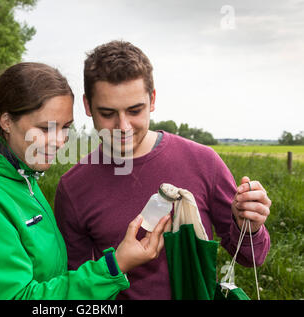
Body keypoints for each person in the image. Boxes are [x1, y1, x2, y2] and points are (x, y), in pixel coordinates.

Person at [54, 41, 272, 300]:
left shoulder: (204, 162)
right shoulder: (73, 188)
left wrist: (249, 223)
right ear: (88, 107)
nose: (123, 126)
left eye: (135, 110)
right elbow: (78, 288)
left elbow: (251, 257)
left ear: (153, 99)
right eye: (107, 113)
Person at [0, 62, 171, 300]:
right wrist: (114, 266)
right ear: (6, 121)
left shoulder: (22, 178)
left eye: (65, 127)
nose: (59, 141)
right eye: (45, 128)